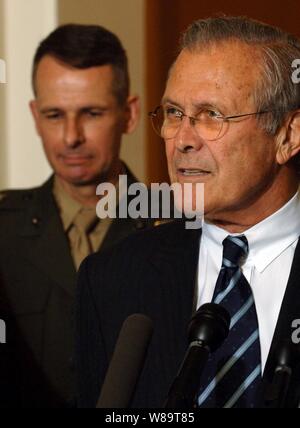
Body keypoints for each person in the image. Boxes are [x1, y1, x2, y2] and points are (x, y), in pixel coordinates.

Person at [76, 16, 300, 408]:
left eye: (212, 115)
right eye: (174, 114)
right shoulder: (112, 280)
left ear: (287, 135)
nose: (182, 140)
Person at [0, 24, 154, 408]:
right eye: (54, 115)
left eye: (91, 113)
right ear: (35, 116)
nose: (71, 137)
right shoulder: (2, 228)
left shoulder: (178, 226)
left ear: (129, 114)